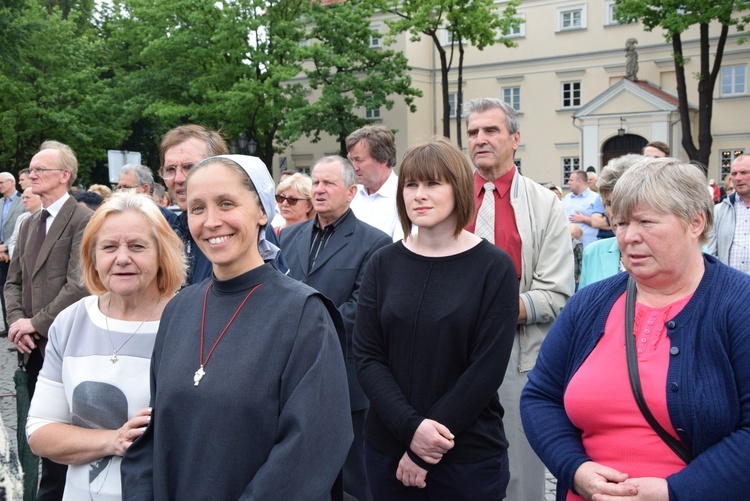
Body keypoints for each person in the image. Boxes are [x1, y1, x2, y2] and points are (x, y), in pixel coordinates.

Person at [121, 154, 352, 500]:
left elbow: (309, 449)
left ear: (262, 211)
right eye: (197, 208)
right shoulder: (179, 310)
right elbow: (154, 434)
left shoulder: (304, 314)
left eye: (226, 203)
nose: (211, 221)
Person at [522, 157, 750, 500]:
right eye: (622, 223)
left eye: (645, 222)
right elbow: (541, 396)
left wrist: (674, 491)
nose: (629, 237)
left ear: (695, 223)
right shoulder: (590, 304)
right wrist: (575, 469)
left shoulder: (739, 304)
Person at [354, 138, 518, 499]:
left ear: (458, 189)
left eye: (432, 183)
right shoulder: (383, 262)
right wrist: (411, 430)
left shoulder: (493, 267)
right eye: (411, 184)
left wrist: (425, 446)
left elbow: (486, 369)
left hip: (466, 457)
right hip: (388, 450)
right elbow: (367, 356)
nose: (419, 195)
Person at [25, 192, 185, 500]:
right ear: (92, 257)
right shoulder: (71, 321)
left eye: (137, 246)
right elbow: (41, 433)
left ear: (162, 253)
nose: (122, 258)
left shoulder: (189, 322)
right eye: (109, 247)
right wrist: (113, 440)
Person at [463, 97, 574, 501]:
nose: (480, 139)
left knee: (519, 474)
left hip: (517, 353)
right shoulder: (448, 199)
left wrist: (491, 315)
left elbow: (558, 294)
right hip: (449, 351)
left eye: (491, 130)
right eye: (473, 132)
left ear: (515, 138)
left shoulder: (544, 205)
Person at [280, 155, 391, 501]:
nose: (319, 189)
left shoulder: (374, 243)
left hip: (344, 377)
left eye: (329, 183)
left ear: (352, 191)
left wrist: (302, 328)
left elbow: (362, 310)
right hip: (288, 373)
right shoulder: (289, 236)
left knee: (352, 476)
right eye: (315, 182)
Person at [5, 140, 93, 500]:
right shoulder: (28, 223)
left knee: (62, 439)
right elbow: (13, 281)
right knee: (35, 430)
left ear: (65, 176)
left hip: (65, 344)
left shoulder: (84, 219)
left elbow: (80, 283)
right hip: (29, 347)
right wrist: (16, 323)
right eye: (31, 168)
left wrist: (35, 324)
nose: (32, 174)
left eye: (41, 169)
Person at [579, 154, 643, 289]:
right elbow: (583, 308)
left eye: (623, 203)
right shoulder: (593, 252)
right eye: (609, 203)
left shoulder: (692, 254)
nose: (616, 213)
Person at [346, 125, 404, 241]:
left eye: (358, 160)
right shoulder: (351, 194)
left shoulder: (403, 197)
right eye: (351, 160)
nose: (353, 167)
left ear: (382, 159)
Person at [709, 153, 750, 273]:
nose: (738, 178)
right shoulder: (718, 211)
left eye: (744, 172)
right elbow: (710, 252)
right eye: (734, 174)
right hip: (730, 286)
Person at [0, 172, 24, 336]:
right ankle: (8, 324)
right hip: (0, 252)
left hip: (14, 252)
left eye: (1, 182)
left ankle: (18, 322)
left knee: (16, 287)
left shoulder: (23, 201)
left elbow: (19, 228)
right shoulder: (0, 203)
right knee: (3, 289)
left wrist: (6, 246)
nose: (0, 185)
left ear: (11, 182)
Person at [562, 170, 599, 247]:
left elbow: (604, 223)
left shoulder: (595, 198)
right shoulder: (567, 198)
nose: (568, 182)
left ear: (580, 181)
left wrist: (584, 219)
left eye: (571, 180)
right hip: (567, 245)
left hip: (587, 245)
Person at [7, 187, 42, 258]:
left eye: (27, 197)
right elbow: (13, 241)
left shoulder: (46, 217)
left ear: (40, 199)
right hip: (20, 262)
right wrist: (16, 259)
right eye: (23, 198)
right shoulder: (21, 218)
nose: (24, 201)